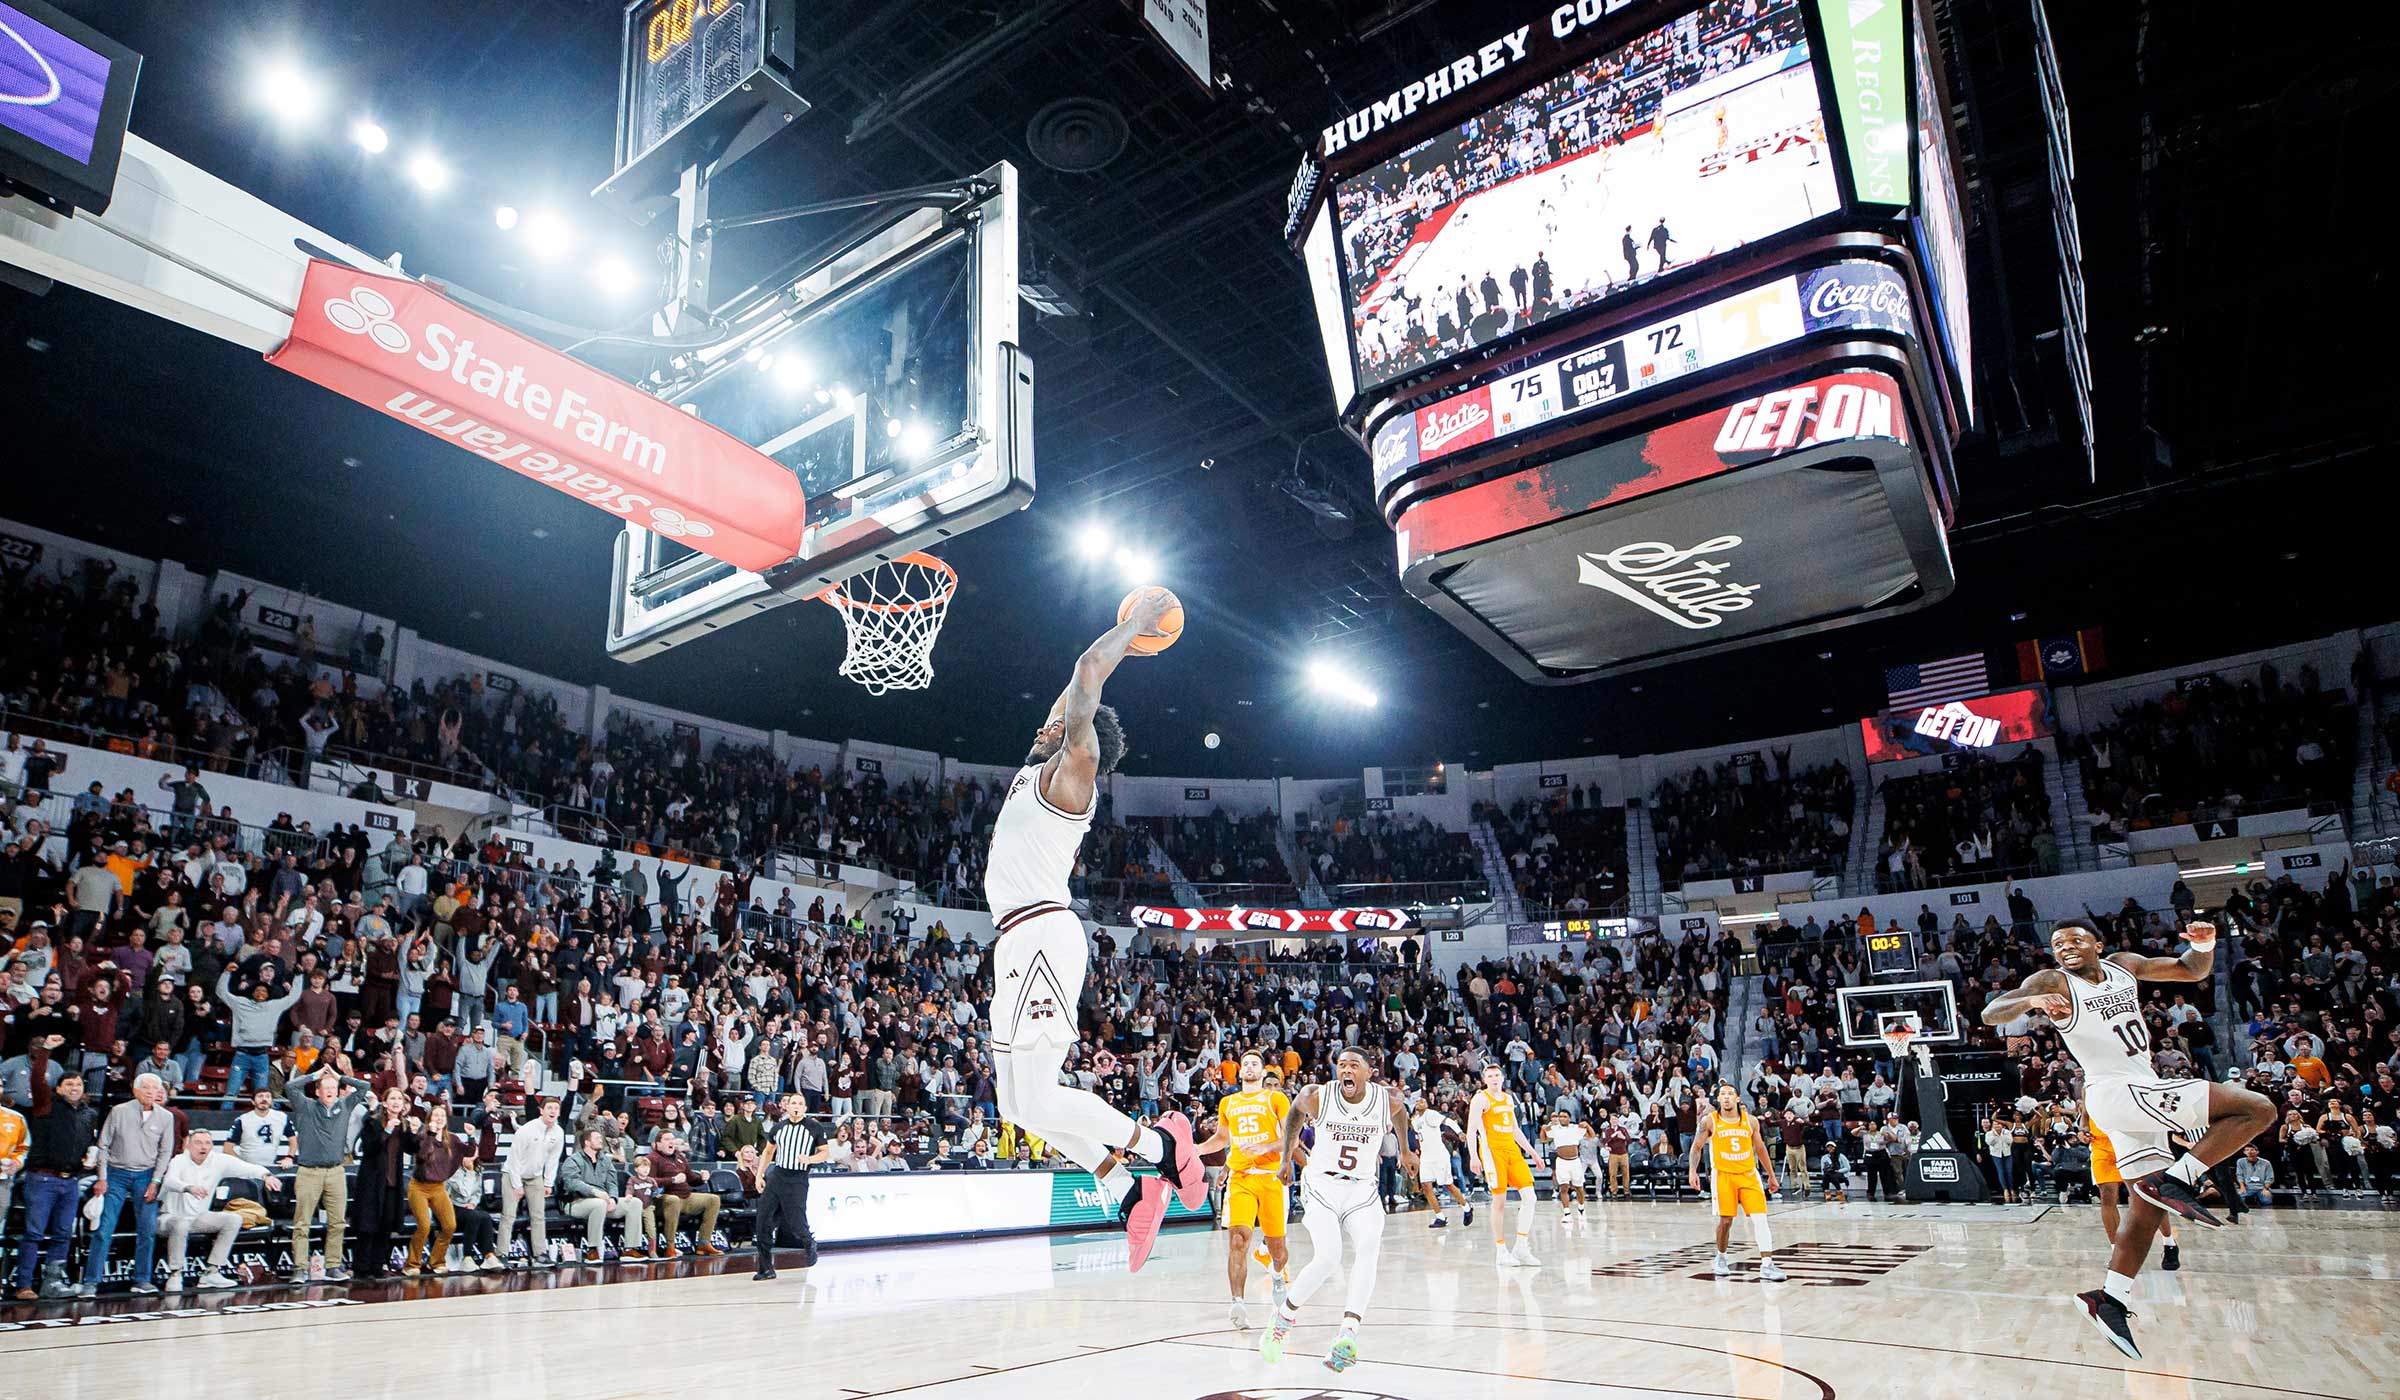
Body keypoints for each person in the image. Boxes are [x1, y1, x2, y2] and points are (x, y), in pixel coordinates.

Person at [981, 588, 1201, 1271]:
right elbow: (1070, 693)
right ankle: (1131, 1189)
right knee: (1019, 1104)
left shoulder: (1073, 776)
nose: (1043, 725)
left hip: (1044, 934)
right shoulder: (1038, 767)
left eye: (1059, 725)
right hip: (1016, 940)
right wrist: (1125, 645)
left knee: (1041, 1092)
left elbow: (1083, 680)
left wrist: (1131, 629)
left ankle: (1163, 1147)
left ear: (1080, 743)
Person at [1980, 918, 2274, 1359]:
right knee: (2258, 1109)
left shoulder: (2123, 966)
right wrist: (2031, 1000)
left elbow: (2190, 969)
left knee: (2146, 1208)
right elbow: (1991, 1012)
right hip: (2115, 1092)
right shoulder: (2052, 979)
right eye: (2058, 943)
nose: (2067, 947)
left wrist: (2205, 943)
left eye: (2077, 939)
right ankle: (2182, 1176)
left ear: (2098, 944)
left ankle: (2110, 1298)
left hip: (2140, 1089)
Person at [1261, 1046, 1413, 1374]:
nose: (1346, 1070)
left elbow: (1401, 1112)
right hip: (1322, 1186)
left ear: (1369, 1073)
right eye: (1341, 1064)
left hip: (1362, 1188)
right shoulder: (1319, 1094)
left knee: (1369, 1248)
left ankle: (1348, 1334)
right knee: (1329, 1257)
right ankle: (1282, 1319)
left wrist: (1406, 1150)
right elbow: (1294, 1116)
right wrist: (1287, 1157)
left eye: (1353, 1065)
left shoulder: (1386, 1099)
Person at [1190, 1048, 1292, 1330]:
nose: (1249, 1067)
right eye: (1245, 1063)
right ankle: (1238, 1303)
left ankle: (1277, 1274)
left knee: (1277, 1247)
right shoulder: (1228, 1103)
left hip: (1270, 1177)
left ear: (1263, 1071)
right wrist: (1197, 1149)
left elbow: (1289, 1138)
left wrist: (1266, 1146)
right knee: (1238, 1240)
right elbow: (1222, 1139)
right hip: (1242, 1178)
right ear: (1239, 1070)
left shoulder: (1276, 1099)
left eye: (1254, 1064)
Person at [12, 1037, 96, 1300]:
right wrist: (46, 1051)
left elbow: (87, 1144)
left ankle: (52, 1284)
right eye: (69, 1084)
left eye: (78, 1084)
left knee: (62, 1234)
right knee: (34, 1232)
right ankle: (24, 1284)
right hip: (42, 1179)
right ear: (58, 1089)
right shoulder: (45, 1105)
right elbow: (38, 1079)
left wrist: (88, 1157)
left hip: (70, 1182)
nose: (74, 1087)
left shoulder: (88, 1114)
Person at [83, 1070, 176, 1295]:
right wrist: (102, 1177)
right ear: (135, 1090)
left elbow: (165, 1152)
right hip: (115, 1173)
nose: (151, 1092)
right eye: (146, 1088)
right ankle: (91, 1281)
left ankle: (142, 1279)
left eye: (155, 1089)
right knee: (104, 1228)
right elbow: (103, 1145)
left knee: (147, 1229)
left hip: (146, 1175)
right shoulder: (119, 1111)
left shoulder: (166, 1117)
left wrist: (156, 1181)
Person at [285, 1055, 376, 1282]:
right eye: (325, 1087)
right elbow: (289, 1086)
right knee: (302, 1222)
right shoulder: (305, 1106)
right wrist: (315, 1075)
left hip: (337, 1170)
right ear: (317, 1091)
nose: (330, 1090)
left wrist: (339, 1076)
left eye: (333, 1087)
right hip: (308, 1171)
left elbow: (365, 1086)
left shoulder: (345, 1105)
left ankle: (333, 1265)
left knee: (337, 1222)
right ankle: (299, 1268)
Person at [158, 1128, 282, 1291]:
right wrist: (188, 1187)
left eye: (208, 1143)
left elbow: (247, 1168)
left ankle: (212, 1272)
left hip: (197, 1218)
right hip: (168, 1218)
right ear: (189, 1145)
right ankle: (175, 1274)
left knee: (233, 1219)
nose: (203, 1147)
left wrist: (267, 1176)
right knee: (180, 1223)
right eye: (198, 1143)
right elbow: (169, 1181)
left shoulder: (219, 1161)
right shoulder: (179, 1160)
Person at [1689, 1083, 1788, 1282]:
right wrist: (1693, 1171)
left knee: (1760, 1219)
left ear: (1738, 1098)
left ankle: (1767, 1264)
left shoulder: (1751, 1122)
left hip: (1748, 1174)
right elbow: (1696, 1147)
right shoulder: (1710, 1121)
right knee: (1726, 1221)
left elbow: (1760, 1149)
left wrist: (1771, 1175)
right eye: (1722, 1094)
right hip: (1723, 1176)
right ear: (1717, 1099)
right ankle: (1721, 1257)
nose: (1726, 1097)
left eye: (1730, 1094)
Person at [752, 1090, 833, 1281]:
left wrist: (810, 1158)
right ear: (787, 1106)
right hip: (777, 1175)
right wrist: (759, 1175)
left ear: (805, 1108)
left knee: (796, 1221)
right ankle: (766, 1268)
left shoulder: (814, 1127)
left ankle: (809, 1243)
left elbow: (825, 1153)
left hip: (798, 1178)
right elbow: (768, 1152)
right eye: (793, 1103)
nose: (796, 1107)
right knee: (762, 1220)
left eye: (800, 1104)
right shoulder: (778, 1127)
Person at [1466, 1062, 1540, 1265]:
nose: (1494, 1079)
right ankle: (1501, 1250)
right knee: (1499, 1202)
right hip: (1492, 1153)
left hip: (1512, 1151)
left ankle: (1521, 1247)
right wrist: (1474, 1156)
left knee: (1530, 1197)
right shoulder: (1481, 1099)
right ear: (1484, 1080)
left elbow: (1516, 1130)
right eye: (1489, 1076)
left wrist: (1533, 1154)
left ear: (1502, 1077)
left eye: (1497, 1075)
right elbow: (1471, 1130)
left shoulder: (1508, 1098)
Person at [2090, 1118, 2179, 1272]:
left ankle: (2169, 1242)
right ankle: (2117, 1253)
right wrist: (2083, 1130)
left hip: (2132, 1145)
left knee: (2149, 1197)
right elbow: (2085, 1115)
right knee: (2107, 1196)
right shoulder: (2088, 1092)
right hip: (2102, 1147)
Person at [561, 1127, 645, 1264]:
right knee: (599, 1203)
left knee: (635, 1203)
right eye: (597, 1138)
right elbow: (572, 1183)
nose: (601, 1140)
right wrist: (594, 1192)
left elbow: (612, 1183)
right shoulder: (573, 1160)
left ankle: (630, 1249)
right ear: (587, 1142)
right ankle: (593, 1250)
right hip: (577, 1202)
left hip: (604, 1202)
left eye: (601, 1138)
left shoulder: (605, 1160)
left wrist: (613, 1198)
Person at [500, 1096, 565, 1269]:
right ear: (541, 1110)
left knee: (538, 1215)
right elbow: (514, 1158)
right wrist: (517, 1185)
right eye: (549, 1108)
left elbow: (553, 1160)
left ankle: (540, 1254)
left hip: (535, 1176)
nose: (553, 1111)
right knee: (509, 1215)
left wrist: (548, 1183)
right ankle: (502, 1254)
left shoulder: (558, 1132)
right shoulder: (527, 1130)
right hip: (512, 1174)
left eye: (556, 1108)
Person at [403, 1102, 464, 1277]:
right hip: (419, 1187)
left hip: (438, 1187)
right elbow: (421, 1156)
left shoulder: (451, 1139)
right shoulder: (422, 1136)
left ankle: (436, 1261)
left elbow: (468, 1152)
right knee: (424, 1226)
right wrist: (430, 1134)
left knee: (450, 1225)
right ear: (429, 1119)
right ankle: (411, 1264)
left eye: (442, 1116)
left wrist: (471, 1138)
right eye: (435, 1115)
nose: (439, 1119)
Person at [649, 1130, 724, 1258]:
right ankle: (670, 1246)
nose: (671, 1142)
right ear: (658, 1144)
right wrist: (672, 1180)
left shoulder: (679, 1157)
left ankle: (704, 1242)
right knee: (673, 1200)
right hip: (663, 1199)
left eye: (672, 1139)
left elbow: (691, 1179)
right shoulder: (652, 1159)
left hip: (685, 1197)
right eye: (667, 1139)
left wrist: (702, 1178)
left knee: (713, 1199)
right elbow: (649, 1181)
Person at [1410, 1096, 1472, 1227]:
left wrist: (1460, 1132)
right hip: (1426, 1157)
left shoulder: (1431, 1114)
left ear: (1427, 1104)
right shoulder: (1415, 1121)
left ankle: (1467, 1208)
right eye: (1418, 1101)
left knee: (1447, 1184)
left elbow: (1448, 1121)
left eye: (1423, 1100)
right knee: (1426, 1187)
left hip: (1439, 1156)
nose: (1420, 1102)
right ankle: (1440, 1217)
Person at [1546, 1108, 1590, 1221]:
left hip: (1575, 1161)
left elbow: (1591, 1136)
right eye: (1560, 1116)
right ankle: (1567, 1213)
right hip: (1561, 1161)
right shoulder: (1555, 1129)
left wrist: (1587, 1126)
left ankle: (1581, 1208)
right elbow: (1543, 1139)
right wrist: (1543, 1129)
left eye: (1564, 1116)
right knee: (1564, 1187)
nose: (1562, 1118)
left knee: (1579, 1187)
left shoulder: (1575, 1128)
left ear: (1569, 1118)